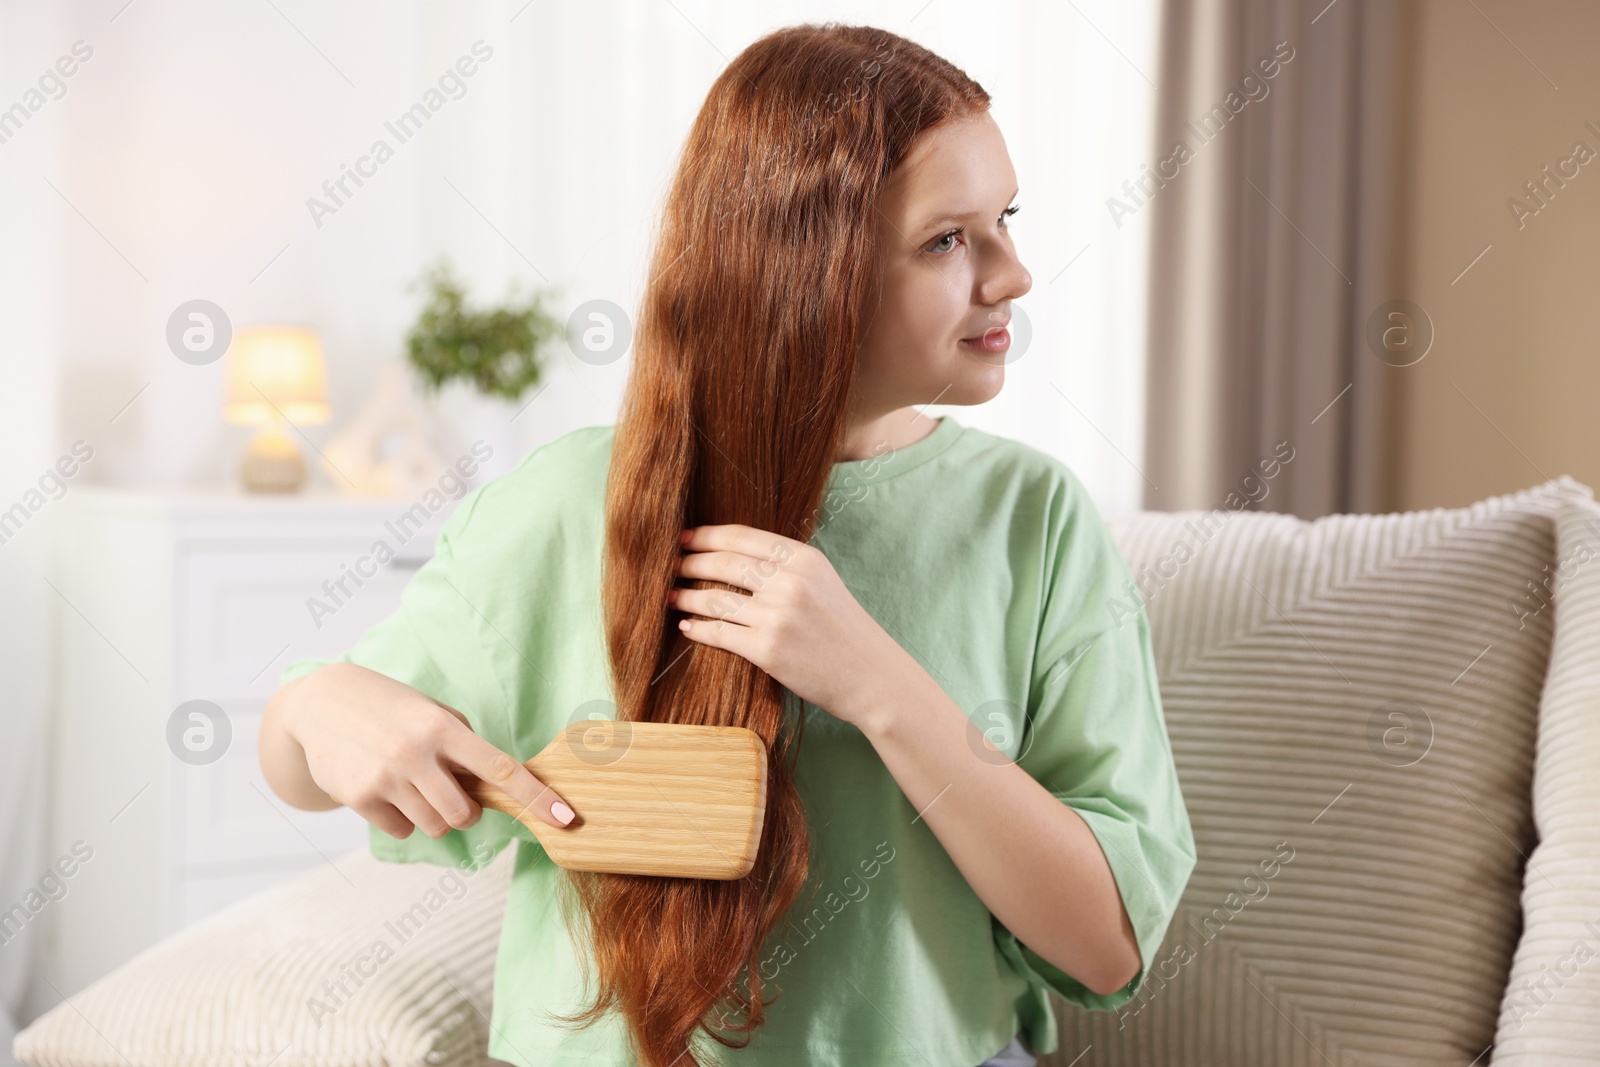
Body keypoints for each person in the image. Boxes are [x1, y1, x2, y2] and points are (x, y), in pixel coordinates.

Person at [260, 22, 1195, 1067]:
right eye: (947, 240)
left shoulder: (1033, 519)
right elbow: (307, 766)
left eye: (1005, 220)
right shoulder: (568, 502)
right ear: (803, 270)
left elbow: (1106, 946)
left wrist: (880, 686)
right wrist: (310, 703)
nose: (1013, 274)